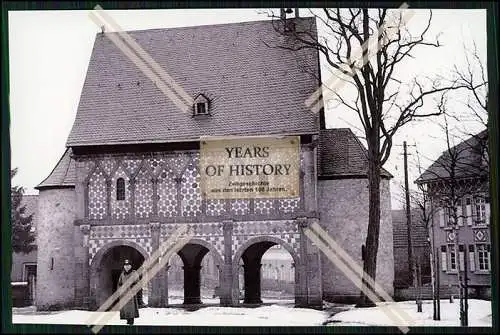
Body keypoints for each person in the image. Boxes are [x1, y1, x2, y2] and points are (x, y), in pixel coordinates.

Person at [117, 259, 139, 325]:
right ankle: (127, 319)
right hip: (124, 293)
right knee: (125, 307)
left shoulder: (134, 273)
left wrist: (133, 288)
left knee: (131, 307)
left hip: (131, 293)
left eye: (128, 265)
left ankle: (131, 320)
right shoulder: (122, 274)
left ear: (131, 266)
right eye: (125, 265)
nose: (127, 267)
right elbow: (119, 283)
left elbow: (137, 283)